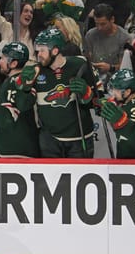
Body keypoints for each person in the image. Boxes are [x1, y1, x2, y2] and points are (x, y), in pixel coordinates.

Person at [17, 28, 97, 158]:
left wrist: (86, 93)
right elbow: (22, 107)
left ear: (55, 50)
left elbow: (98, 102)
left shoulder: (81, 65)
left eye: (42, 50)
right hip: (50, 141)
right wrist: (25, 88)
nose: (38, 55)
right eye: (37, 51)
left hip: (79, 139)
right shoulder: (36, 71)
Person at [0, 42, 40, 158]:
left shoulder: (12, 83)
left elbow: (9, 116)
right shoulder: (22, 80)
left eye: (2, 58)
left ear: (13, 63)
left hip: (14, 150)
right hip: (25, 146)